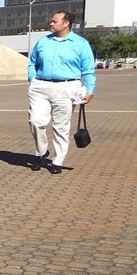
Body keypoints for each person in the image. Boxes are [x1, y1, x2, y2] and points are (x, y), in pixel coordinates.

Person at [27, 11, 95, 175]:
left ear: (66, 24)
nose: (51, 24)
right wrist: (32, 79)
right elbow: (32, 62)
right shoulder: (43, 41)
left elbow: (88, 70)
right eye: (51, 21)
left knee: (61, 126)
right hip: (41, 86)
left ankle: (57, 160)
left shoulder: (80, 44)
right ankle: (41, 151)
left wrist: (90, 90)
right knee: (35, 121)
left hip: (67, 87)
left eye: (54, 21)